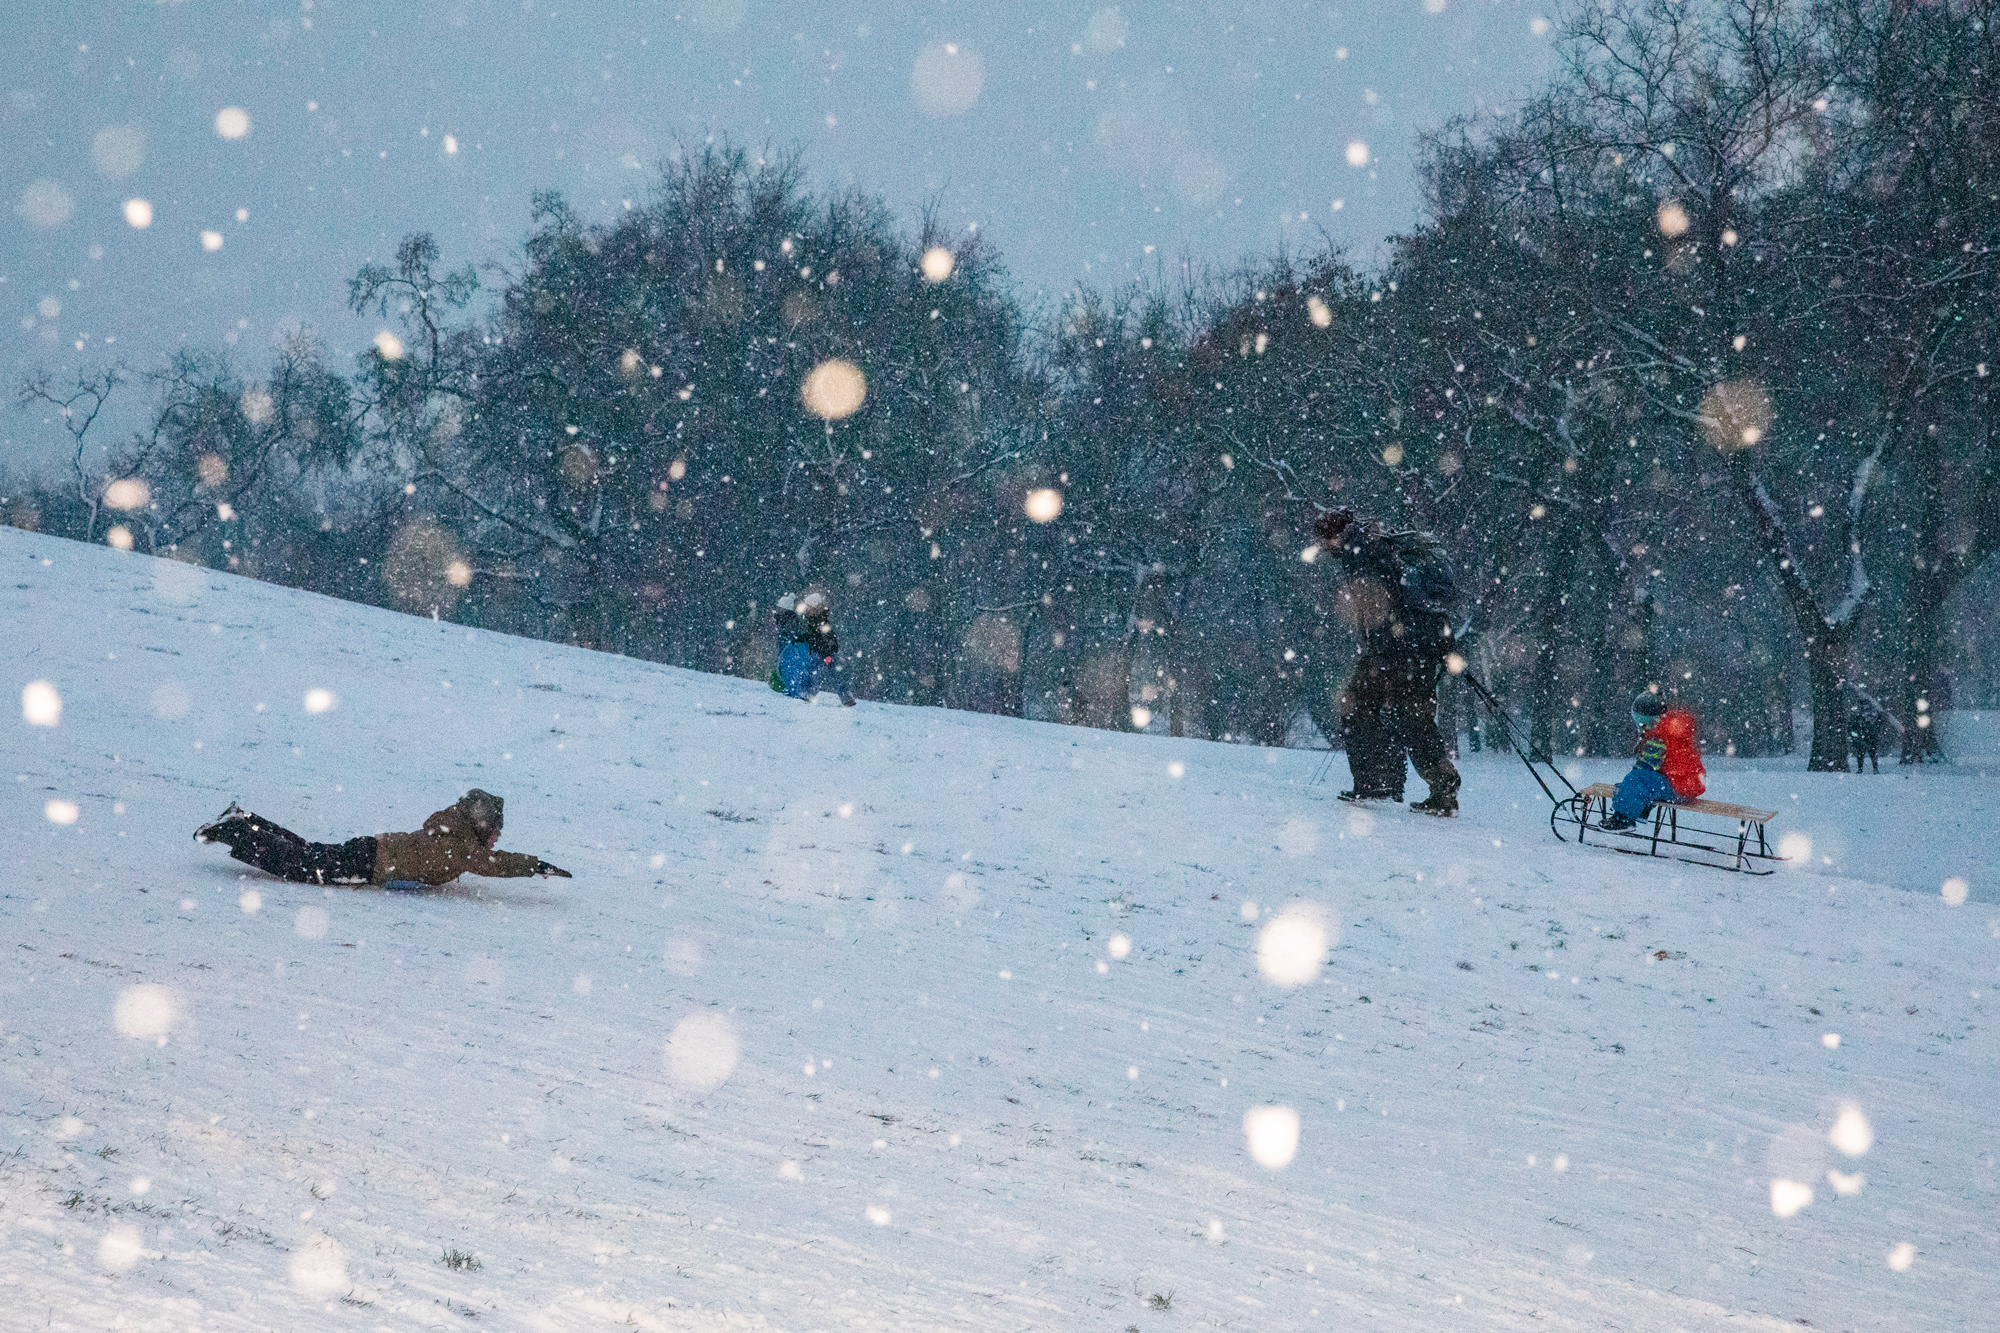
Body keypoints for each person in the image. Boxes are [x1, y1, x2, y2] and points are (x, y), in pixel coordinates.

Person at [1313, 505, 1462, 816]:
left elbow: (1379, 605)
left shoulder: (1361, 552)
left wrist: (1381, 647)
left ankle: (1374, 783)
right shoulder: (1381, 543)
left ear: (1334, 534)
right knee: (1414, 718)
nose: (1324, 548)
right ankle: (1442, 784)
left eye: (1324, 541)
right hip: (1423, 646)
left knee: (1356, 706)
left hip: (1395, 650)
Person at [194, 789, 571, 887]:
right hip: (370, 863)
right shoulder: (459, 847)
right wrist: (534, 865)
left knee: (305, 853)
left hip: (371, 851)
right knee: (301, 866)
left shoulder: (452, 831)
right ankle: (233, 829)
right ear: (481, 826)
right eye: (495, 830)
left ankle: (245, 821)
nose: (498, 837)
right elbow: (492, 864)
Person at [1599, 693, 1706, 830]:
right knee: (1636, 783)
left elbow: (1646, 767)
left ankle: (1623, 820)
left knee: (1635, 780)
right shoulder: (1667, 729)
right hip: (1686, 785)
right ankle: (1640, 811)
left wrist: (1626, 787)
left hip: (1679, 787)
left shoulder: (1658, 736)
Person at [772, 590, 856, 706]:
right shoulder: (815, 619)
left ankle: (841, 696)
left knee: (817, 671)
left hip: (822, 652)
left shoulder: (818, 620)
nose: (808, 609)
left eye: (809, 607)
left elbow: (824, 636)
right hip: (819, 651)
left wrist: (825, 648)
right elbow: (816, 636)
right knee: (816, 671)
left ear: (815, 607)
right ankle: (841, 696)